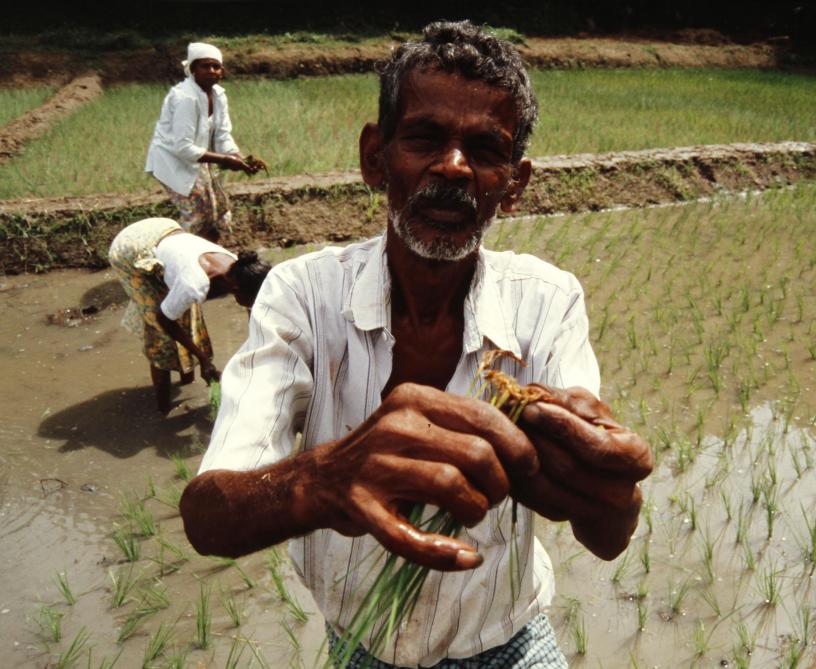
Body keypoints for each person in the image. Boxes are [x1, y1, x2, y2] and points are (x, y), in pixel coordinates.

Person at [180, 21, 652, 668]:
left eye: (485, 149)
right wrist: (323, 477)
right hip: (364, 645)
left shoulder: (548, 300)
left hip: (506, 643)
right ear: (375, 156)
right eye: (425, 137)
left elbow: (605, 538)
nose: (453, 167)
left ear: (513, 183)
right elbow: (207, 515)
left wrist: (615, 496)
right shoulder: (301, 295)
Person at [108, 217, 271, 414]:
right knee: (162, 337)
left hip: (163, 229)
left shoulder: (240, 268)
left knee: (188, 315)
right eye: (253, 300)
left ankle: (188, 381)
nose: (255, 304)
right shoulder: (194, 283)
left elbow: (254, 312)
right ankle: (163, 412)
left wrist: (259, 349)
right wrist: (203, 360)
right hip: (130, 247)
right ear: (236, 289)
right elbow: (164, 319)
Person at [145, 42, 261, 242]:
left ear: (222, 71)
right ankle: (181, 257)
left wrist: (240, 158)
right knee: (197, 214)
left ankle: (213, 253)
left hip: (197, 157)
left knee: (219, 208)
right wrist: (225, 160)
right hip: (172, 160)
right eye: (205, 66)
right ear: (192, 70)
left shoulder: (218, 96)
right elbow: (182, 147)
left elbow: (223, 135)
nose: (211, 71)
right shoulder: (185, 97)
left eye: (216, 66)